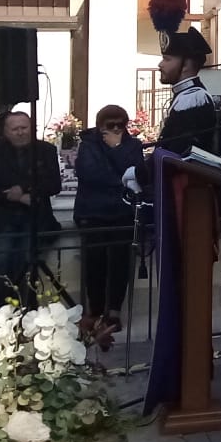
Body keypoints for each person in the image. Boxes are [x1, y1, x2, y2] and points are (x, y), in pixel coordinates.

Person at [73, 105, 144, 349]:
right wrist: (120, 175)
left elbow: (136, 173)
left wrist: (116, 149)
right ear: (100, 125)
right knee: (95, 264)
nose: (115, 130)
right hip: (93, 213)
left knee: (120, 263)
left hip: (121, 213)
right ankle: (94, 311)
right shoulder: (89, 144)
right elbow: (90, 174)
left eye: (120, 125)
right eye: (110, 125)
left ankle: (114, 310)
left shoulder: (132, 145)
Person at [0, 110, 62, 310]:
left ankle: (29, 313)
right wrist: (11, 196)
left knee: (28, 264)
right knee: (3, 263)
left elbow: (54, 184)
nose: (20, 132)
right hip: (5, 219)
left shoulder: (46, 151)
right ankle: (3, 316)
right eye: (15, 129)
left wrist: (27, 191)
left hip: (35, 218)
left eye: (24, 128)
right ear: (6, 132)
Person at [155, 27, 219, 158]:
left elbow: (176, 153)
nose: (160, 64)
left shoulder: (193, 98)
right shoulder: (186, 95)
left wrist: (140, 172)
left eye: (167, 59)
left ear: (186, 65)